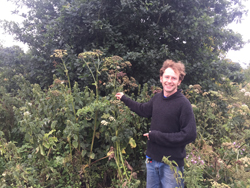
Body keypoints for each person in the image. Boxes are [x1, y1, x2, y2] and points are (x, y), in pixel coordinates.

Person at [115, 59, 196, 188]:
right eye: (167, 77)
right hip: (152, 159)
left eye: (174, 78)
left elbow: (189, 134)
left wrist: (157, 136)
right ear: (161, 78)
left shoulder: (183, 104)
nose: (169, 81)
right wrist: (125, 98)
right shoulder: (157, 98)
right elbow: (143, 110)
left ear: (179, 81)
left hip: (171, 164)